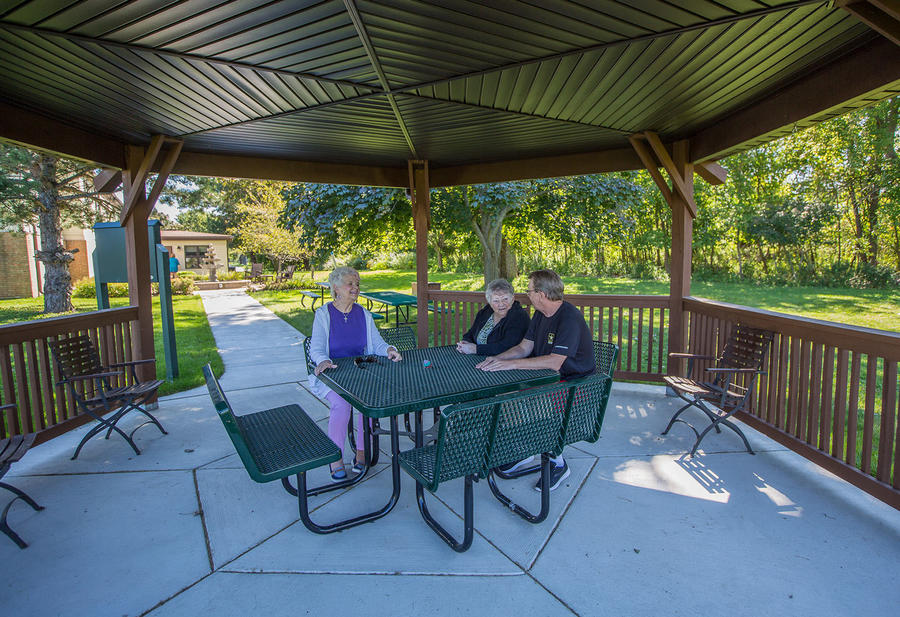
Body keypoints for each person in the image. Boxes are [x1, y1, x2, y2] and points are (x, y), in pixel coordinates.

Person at [476, 269, 595, 492]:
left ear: (541, 294)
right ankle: (524, 449)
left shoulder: (569, 318)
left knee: (533, 403)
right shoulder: (541, 315)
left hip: (575, 385)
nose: (527, 294)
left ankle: (557, 462)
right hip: (549, 379)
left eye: (529, 290)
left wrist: (509, 365)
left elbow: (554, 362)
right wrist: (496, 359)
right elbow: (524, 347)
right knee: (505, 393)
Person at [308, 266, 403, 480]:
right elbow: (317, 347)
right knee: (341, 405)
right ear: (336, 288)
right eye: (350, 283)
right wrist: (323, 360)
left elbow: (377, 343)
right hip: (334, 372)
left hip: (361, 372)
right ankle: (336, 458)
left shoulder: (363, 313)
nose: (355, 287)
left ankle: (362, 453)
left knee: (366, 403)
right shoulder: (324, 314)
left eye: (357, 284)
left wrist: (389, 350)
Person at [456, 278, 529, 356]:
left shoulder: (519, 316)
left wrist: (475, 349)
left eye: (505, 299)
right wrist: (465, 342)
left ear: (512, 299)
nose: (501, 304)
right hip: (478, 359)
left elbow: (507, 346)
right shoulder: (486, 311)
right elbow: (471, 332)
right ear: (489, 301)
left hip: (506, 363)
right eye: (496, 300)